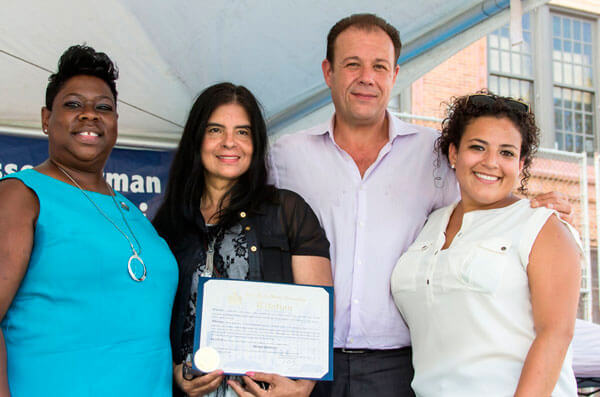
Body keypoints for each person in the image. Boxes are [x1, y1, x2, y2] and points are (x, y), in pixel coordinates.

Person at [268, 14, 574, 397]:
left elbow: (487, 188)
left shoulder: (432, 153)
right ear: (328, 72)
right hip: (305, 361)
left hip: (400, 368)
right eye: (352, 64)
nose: (367, 77)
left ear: (395, 74)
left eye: (379, 66)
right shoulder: (284, 156)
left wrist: (529, 208)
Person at [0, 45, 178, 395]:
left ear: (114, 123)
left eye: (103, 108)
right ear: (45, 119)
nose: (89, 115)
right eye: (72, 104)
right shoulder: (21, 195)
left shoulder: (134, 215)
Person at [391, 92, 581, 396]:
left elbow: (556, 334)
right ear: (454, 154)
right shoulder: (429, 226)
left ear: (520, 164)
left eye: (506, 153)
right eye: (477, 147)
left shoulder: (541, 226)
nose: (491, 162)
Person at [152, 82, 333, 397]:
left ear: (256, 142)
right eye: (215, 130)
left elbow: (316, 320)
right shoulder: (169, 224)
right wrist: (175, 373)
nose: (229, 143)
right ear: (197, 138)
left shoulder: (288, 211)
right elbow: (152, 320)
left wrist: (300, 389)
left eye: (242, 132)